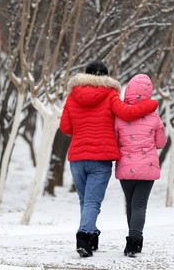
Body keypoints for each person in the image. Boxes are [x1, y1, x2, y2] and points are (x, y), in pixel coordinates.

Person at [59, 61, 158, 258]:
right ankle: (84, 237)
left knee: (85, 200)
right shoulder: (110, 94)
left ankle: (92, 235)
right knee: (92, 202)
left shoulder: (72, 97)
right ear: (105, 77)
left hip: (77, 157)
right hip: (100, 158)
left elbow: (66, 128)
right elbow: (127, 113)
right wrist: (152, 104)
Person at [114, 74, 167, 257]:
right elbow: (161, 143)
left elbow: (114, 141)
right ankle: (134, 241)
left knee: (130, 204)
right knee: (140, 205)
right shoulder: (154, 116)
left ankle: (132, 241)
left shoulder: (119, 116)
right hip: (147, 168)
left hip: (125, 168)